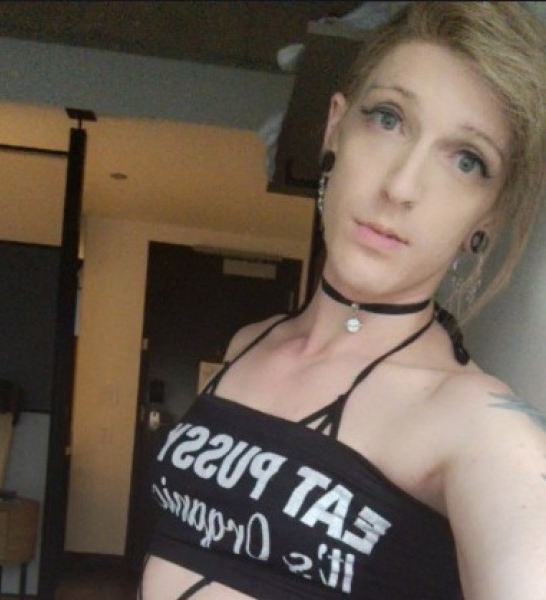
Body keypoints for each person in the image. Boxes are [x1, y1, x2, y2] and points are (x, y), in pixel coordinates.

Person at [140, 2, 546, 598]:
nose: (401, 187)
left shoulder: (480, 427)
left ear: (489, 215)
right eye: (388, 118)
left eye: (467, 160)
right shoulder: (248, 343)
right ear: (335, 127)